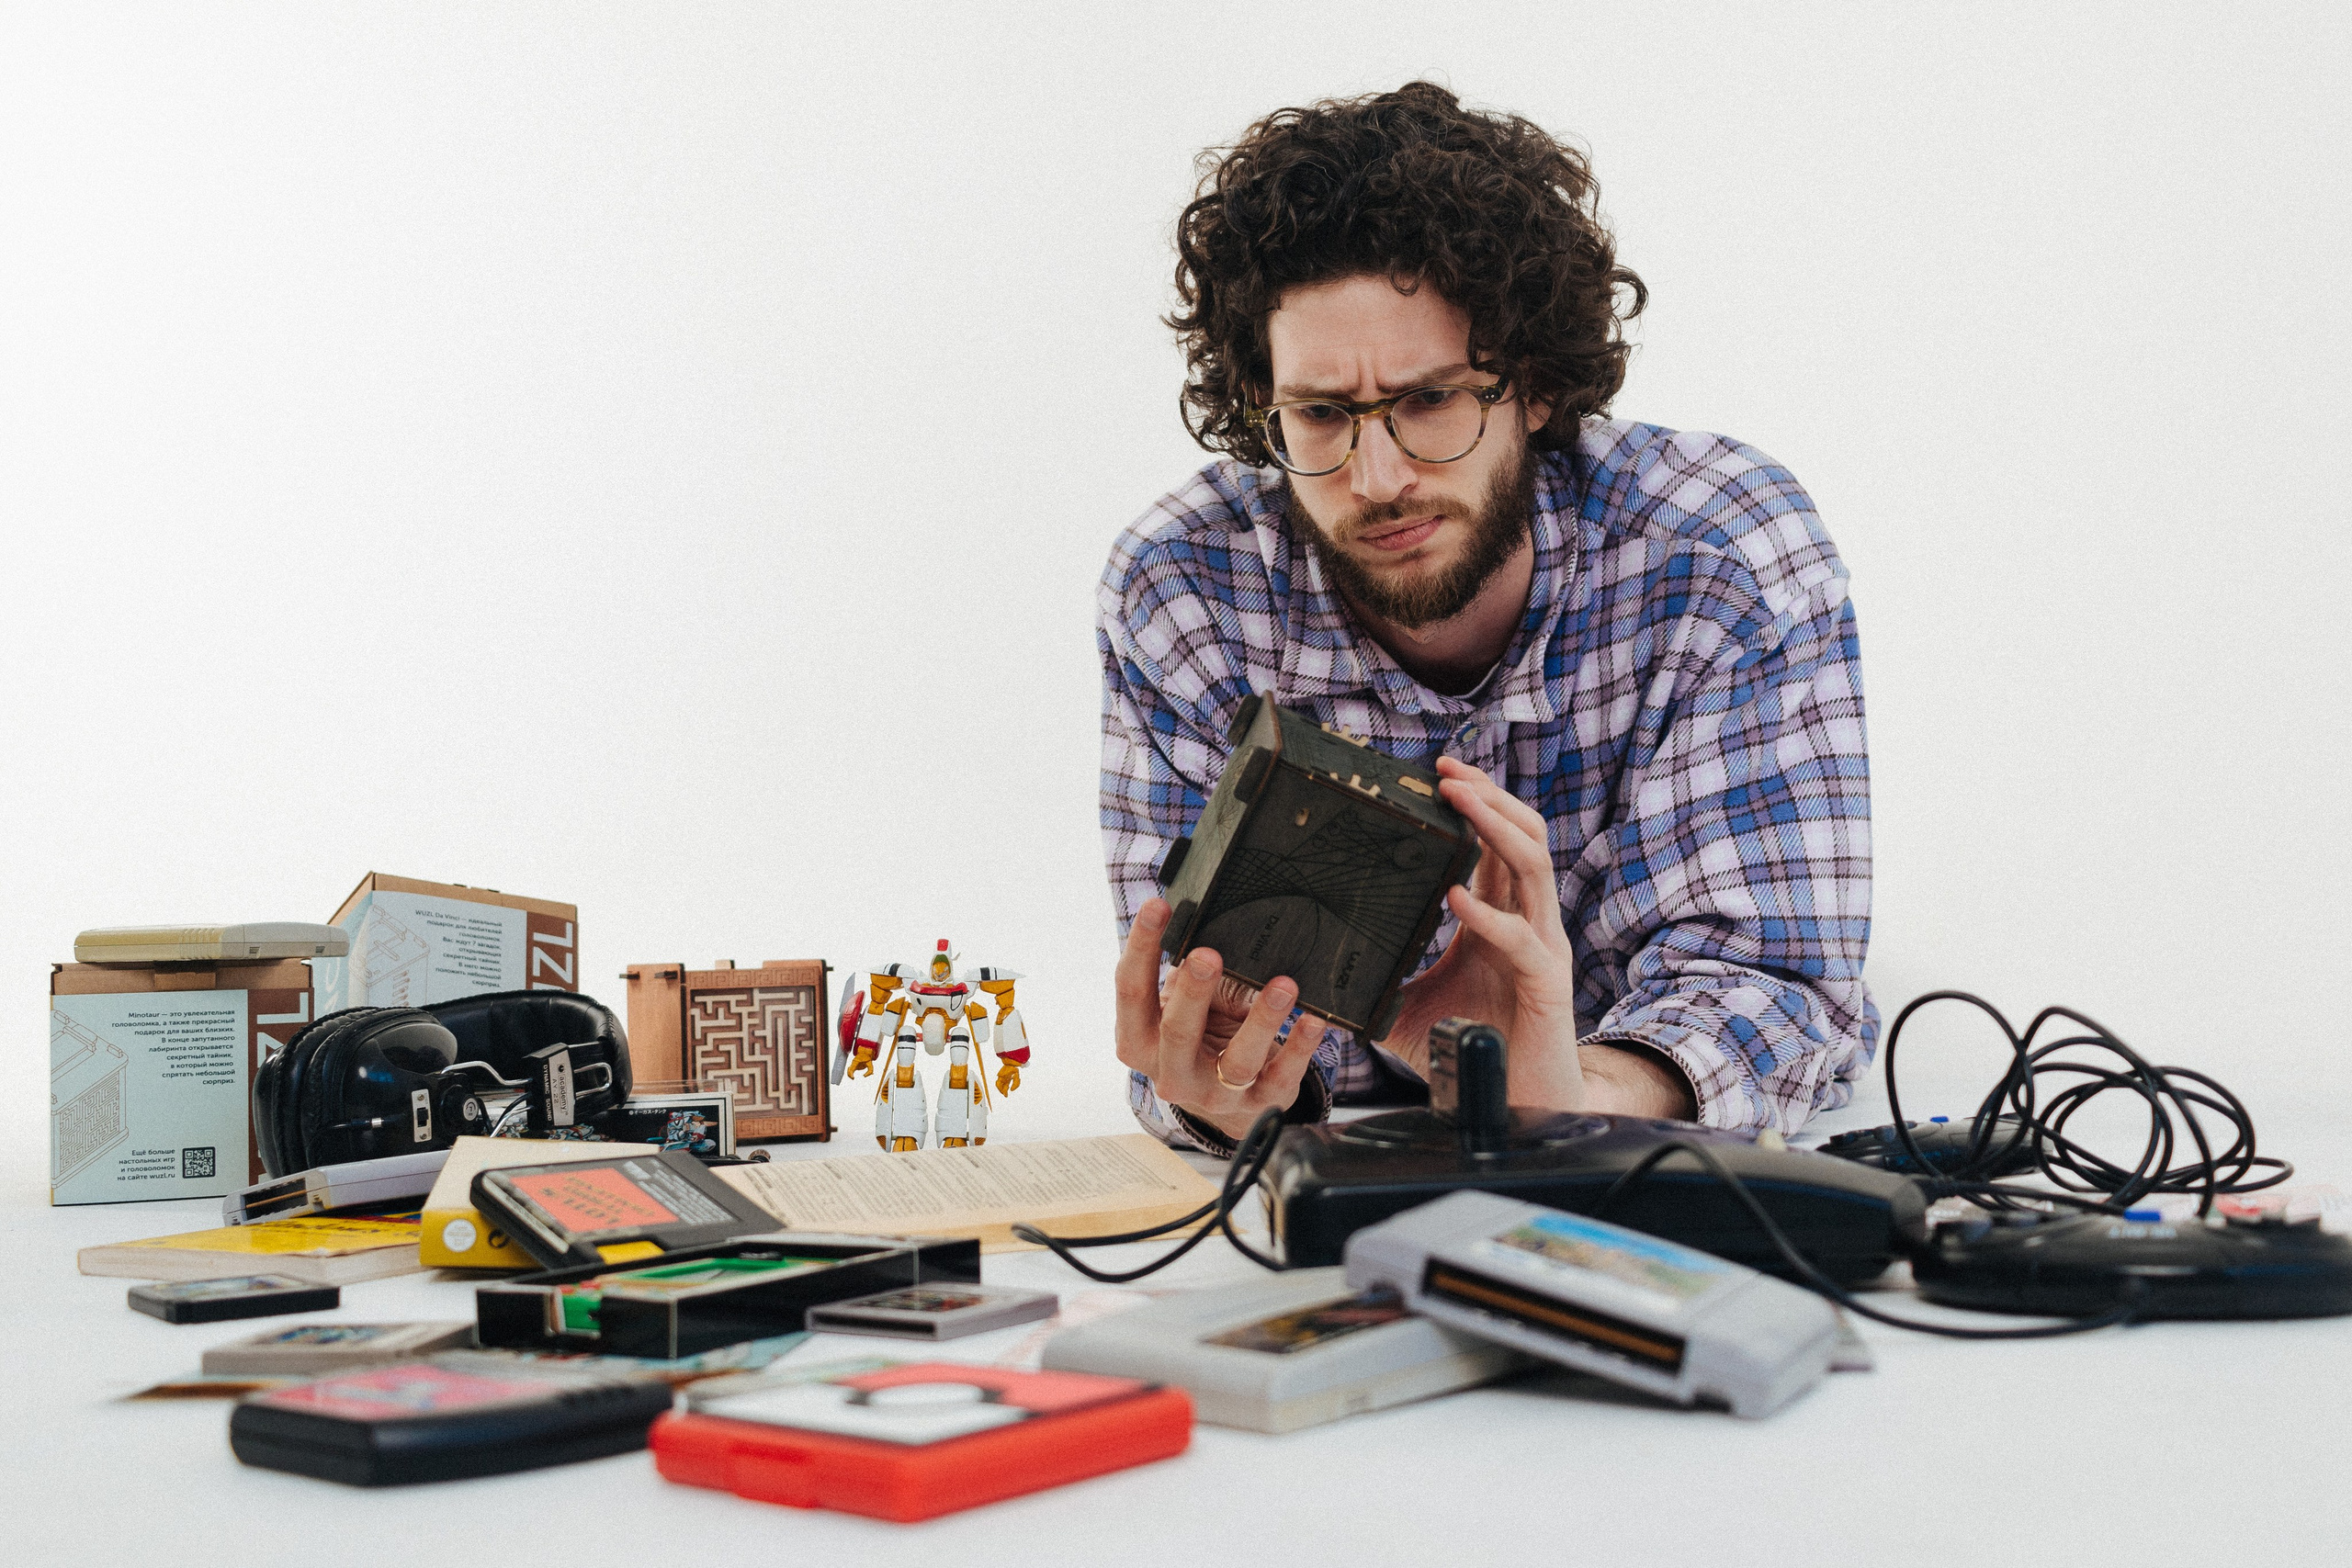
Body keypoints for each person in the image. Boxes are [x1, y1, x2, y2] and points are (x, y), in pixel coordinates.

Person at [1097, 83, 1874, 1156]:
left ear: (1538, 386)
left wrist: (1572, 1087)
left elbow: (1778, 989)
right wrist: (1222, 1086)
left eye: (1430, 401)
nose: (1377, 478)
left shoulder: (1721, 555)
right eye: (1321, 415)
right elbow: (1205, 1013)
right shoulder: (1185, 589)